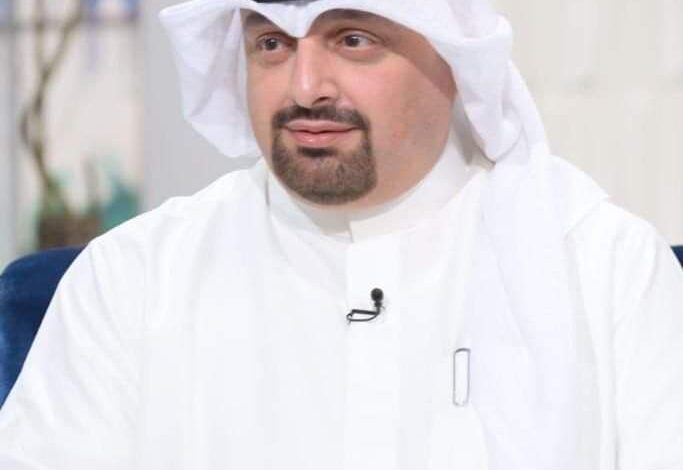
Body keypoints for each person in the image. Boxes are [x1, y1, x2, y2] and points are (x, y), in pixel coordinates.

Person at [1, 0, 682, 468]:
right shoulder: (131, 278)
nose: (304, 87)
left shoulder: (605, 268)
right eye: (271, 43)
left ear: (454, 61)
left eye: (353, 40)